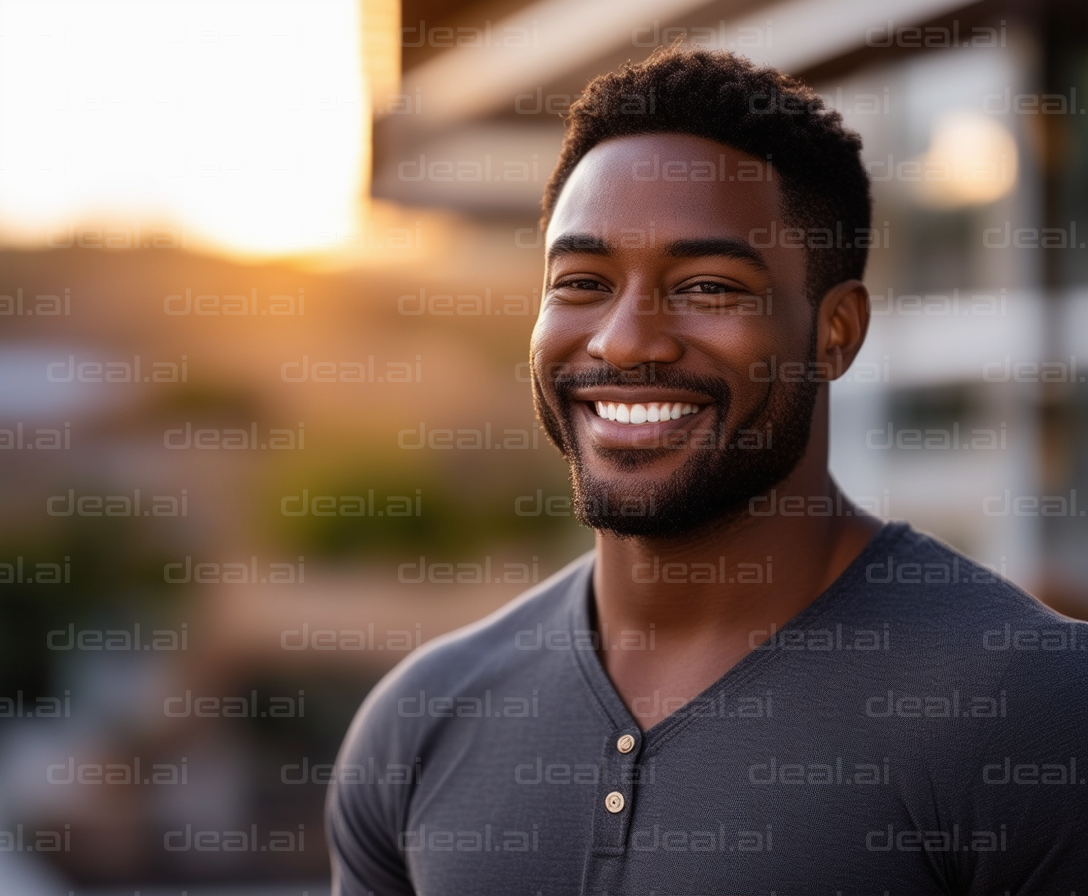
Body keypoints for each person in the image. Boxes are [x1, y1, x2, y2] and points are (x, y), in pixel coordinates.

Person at [327, 46, 1087, 895]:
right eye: (582, 280)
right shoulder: (418, 724)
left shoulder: (1036, 710)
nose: (623, 340)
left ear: (835, 332)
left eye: (709, 287)